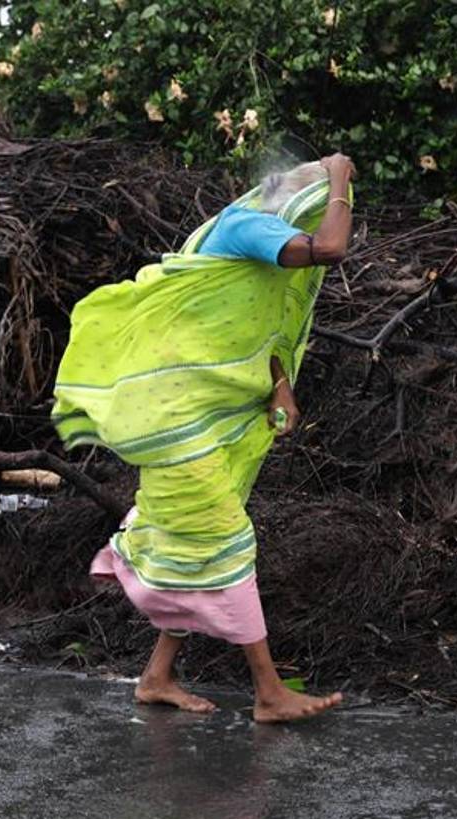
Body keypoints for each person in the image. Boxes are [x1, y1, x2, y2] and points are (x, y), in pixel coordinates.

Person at [52, 153, 357, 722]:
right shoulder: (247, 226)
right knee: (223, 539)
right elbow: (330, 248)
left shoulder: (256, 237)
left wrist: (280, 384)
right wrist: (339, 175)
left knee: (190, 539)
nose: (314, 214)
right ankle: (269, 693)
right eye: (312, 205)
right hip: (179, 418)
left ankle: (156, 676)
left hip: (208, 415)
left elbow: (251, 325)